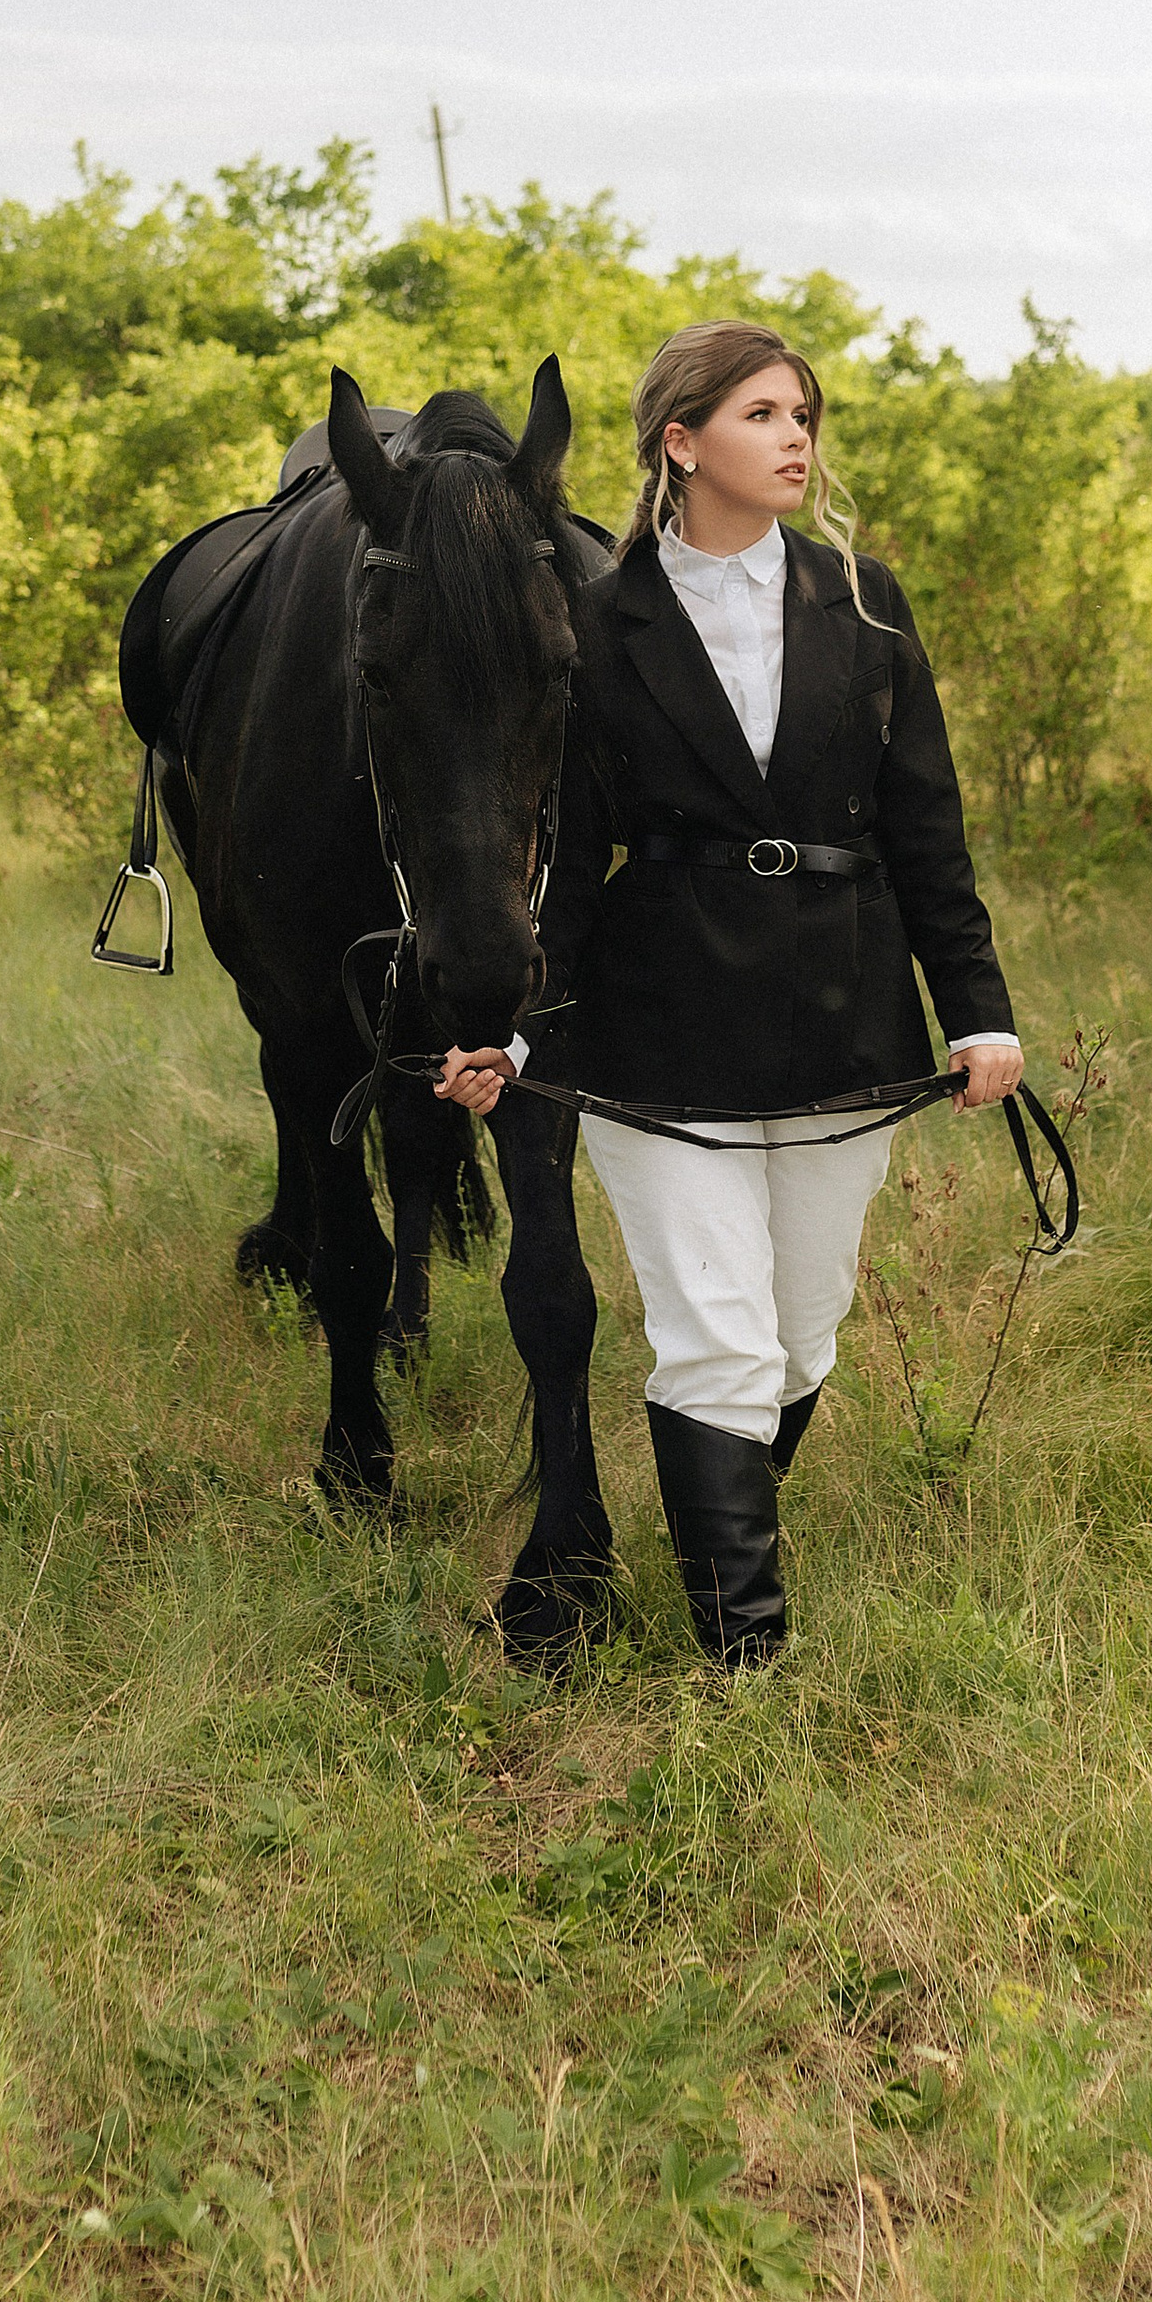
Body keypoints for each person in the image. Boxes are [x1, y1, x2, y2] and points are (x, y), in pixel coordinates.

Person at [436, 320, 1022, 1671]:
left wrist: (977, 1011)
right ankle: (744, 1663)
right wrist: (517, 1036)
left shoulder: (867, 604)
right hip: (657, 1025)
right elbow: (569, 867)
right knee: (715, 1336)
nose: (797, 434)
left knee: (799, 1336)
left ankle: (714, 1546)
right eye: (763, 412)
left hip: (844, 1011)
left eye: (804, 410)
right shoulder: (594, 624)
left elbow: (929, 832)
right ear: (683, 442)